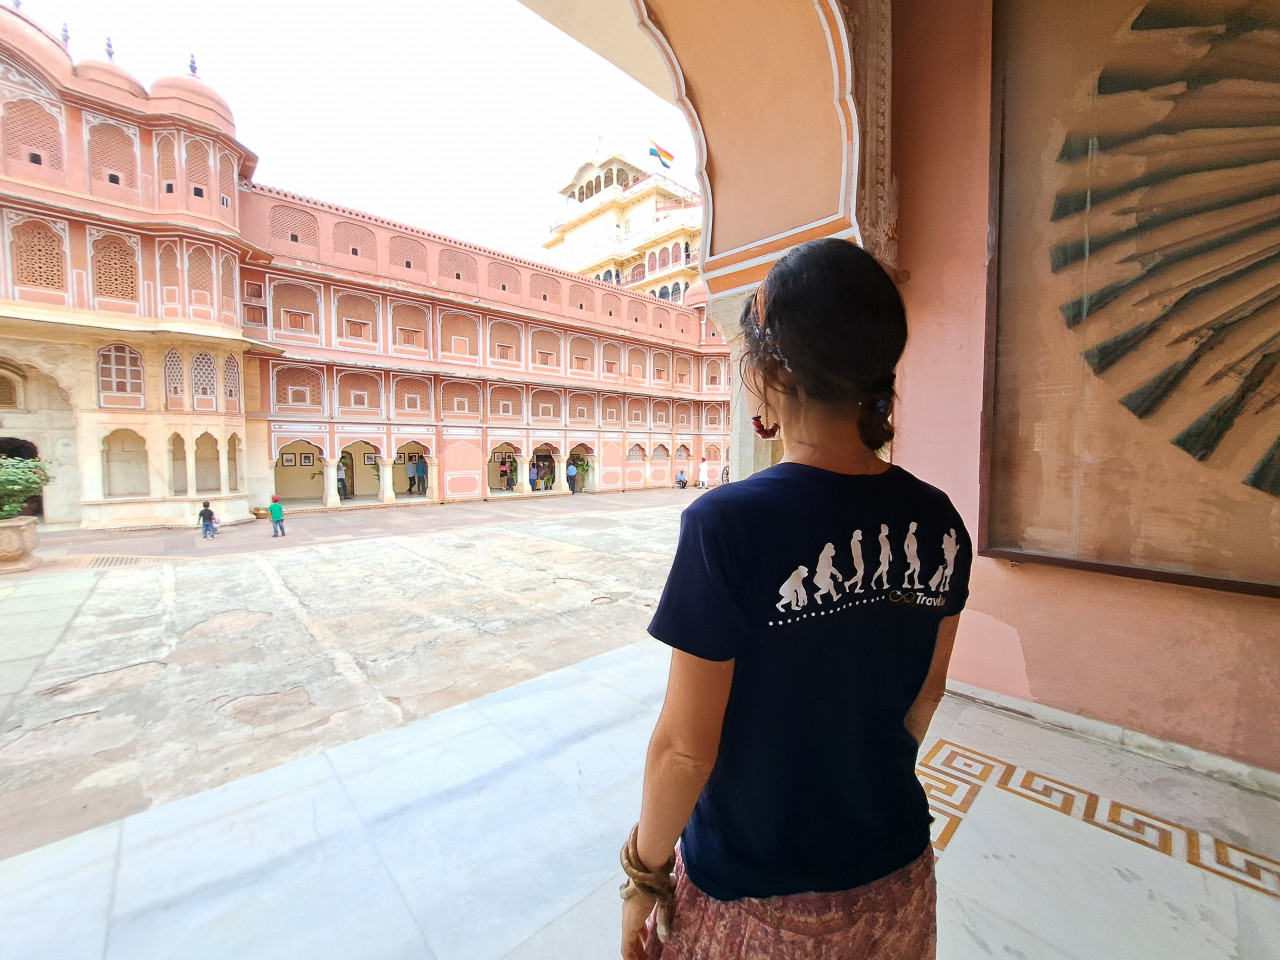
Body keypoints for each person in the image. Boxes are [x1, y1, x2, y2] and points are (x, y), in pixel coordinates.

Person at [620, 239, 972, 960]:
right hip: (896, 878)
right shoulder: (938, 521)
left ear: (771, 370)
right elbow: (925, 697)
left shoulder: (727, 526)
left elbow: (686, 750)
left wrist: (644, 875)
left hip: (753, 899)